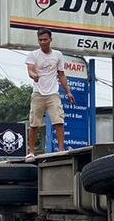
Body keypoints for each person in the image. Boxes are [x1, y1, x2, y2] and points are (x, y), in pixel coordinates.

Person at [24, 28, 76, 160]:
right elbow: (30, 70)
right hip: (38, 93)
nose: (43, 42)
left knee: (58, 121)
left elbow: (61, 74)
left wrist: (68, 92)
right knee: (34, 123)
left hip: (53, 93)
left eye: (45, 39)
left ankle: (61, 149)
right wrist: (34, 75)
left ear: (50, 40)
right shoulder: (33, 55)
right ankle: (31, 151)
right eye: (40, 40)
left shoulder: (57, 55)